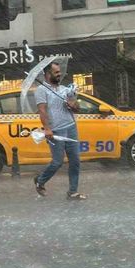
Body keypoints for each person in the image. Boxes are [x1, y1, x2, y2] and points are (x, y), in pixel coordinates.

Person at [34, 62, 87, 200]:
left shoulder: (64, 89)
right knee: (57, 162)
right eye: (56, 72)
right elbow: (42, 110)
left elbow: (77, 108)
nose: (59, 74)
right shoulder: (41, 90)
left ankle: (73, 191)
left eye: (59, 72)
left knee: (75, 161)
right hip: (56, 131)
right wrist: (47, 128)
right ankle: (40, 180)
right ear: (47, 74)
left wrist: (72, 104)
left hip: (71, 127)